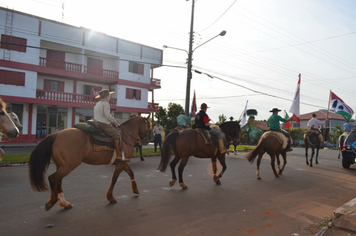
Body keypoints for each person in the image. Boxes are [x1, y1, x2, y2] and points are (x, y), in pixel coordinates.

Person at [94, 89, 123, 161]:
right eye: (109, 96)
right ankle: (119, 155)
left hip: (97, 122)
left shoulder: (97, 104)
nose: (110, 98)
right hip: (103, 124)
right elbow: (107, 115)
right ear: (106, 97)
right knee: (117, 135)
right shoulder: (106, 104)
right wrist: (114, 121)